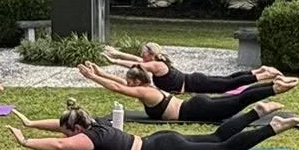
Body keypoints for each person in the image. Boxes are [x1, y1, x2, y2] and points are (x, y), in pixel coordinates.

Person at [9, 101, 299, 150]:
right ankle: (257, 113)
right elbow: (61, 129)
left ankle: (273, 127)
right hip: (159, 142)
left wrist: (26, 143)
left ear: (76, 129)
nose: (63, 133)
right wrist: (30, 122)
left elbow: (62, 144)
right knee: (216, 136)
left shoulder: (87, 139)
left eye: (66, 130)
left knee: (223, 147)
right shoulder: (92, 122)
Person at [76, 60, 299, 125]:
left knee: (237, 99)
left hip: (196, 108)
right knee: (235, 97)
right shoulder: (147, 86)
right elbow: (118, 82)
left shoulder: (145, 93)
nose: (126, 83)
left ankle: (274, 87)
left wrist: (93, 77)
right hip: (195, 105)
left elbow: (117, 87)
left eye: (129, 81)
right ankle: (273, 85)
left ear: (136, 82)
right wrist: (99, 72)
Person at [101, 42, 287, 95]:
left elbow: (135, 64)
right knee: (227, 80)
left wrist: (113, 61)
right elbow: (133, 59)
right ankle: (260, 71)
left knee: (226, 84)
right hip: (193, 81)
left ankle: (263, 75)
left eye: (144, 54)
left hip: (193, 83)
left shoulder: (156, 65)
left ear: (151, 55)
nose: (141, 56)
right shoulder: (155, 62)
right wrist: (116, 54)